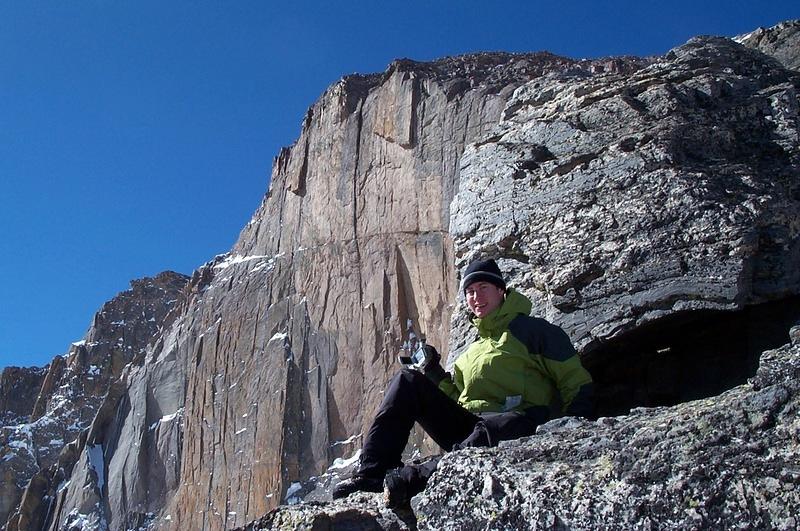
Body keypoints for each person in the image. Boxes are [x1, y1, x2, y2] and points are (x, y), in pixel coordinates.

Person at [332, 258, 594, 506]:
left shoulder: (533, 331)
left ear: (501, 290)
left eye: (483, 288)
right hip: (471, 428)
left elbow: (574, 379)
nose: (476, 297)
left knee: (508, 422)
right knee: (406, 380)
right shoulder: (474, 349)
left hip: (517, 426)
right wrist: (434, 372)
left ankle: (418, 478)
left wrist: (573, 425)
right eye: (469, 291)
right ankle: (372, 474)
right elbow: (459, 398)